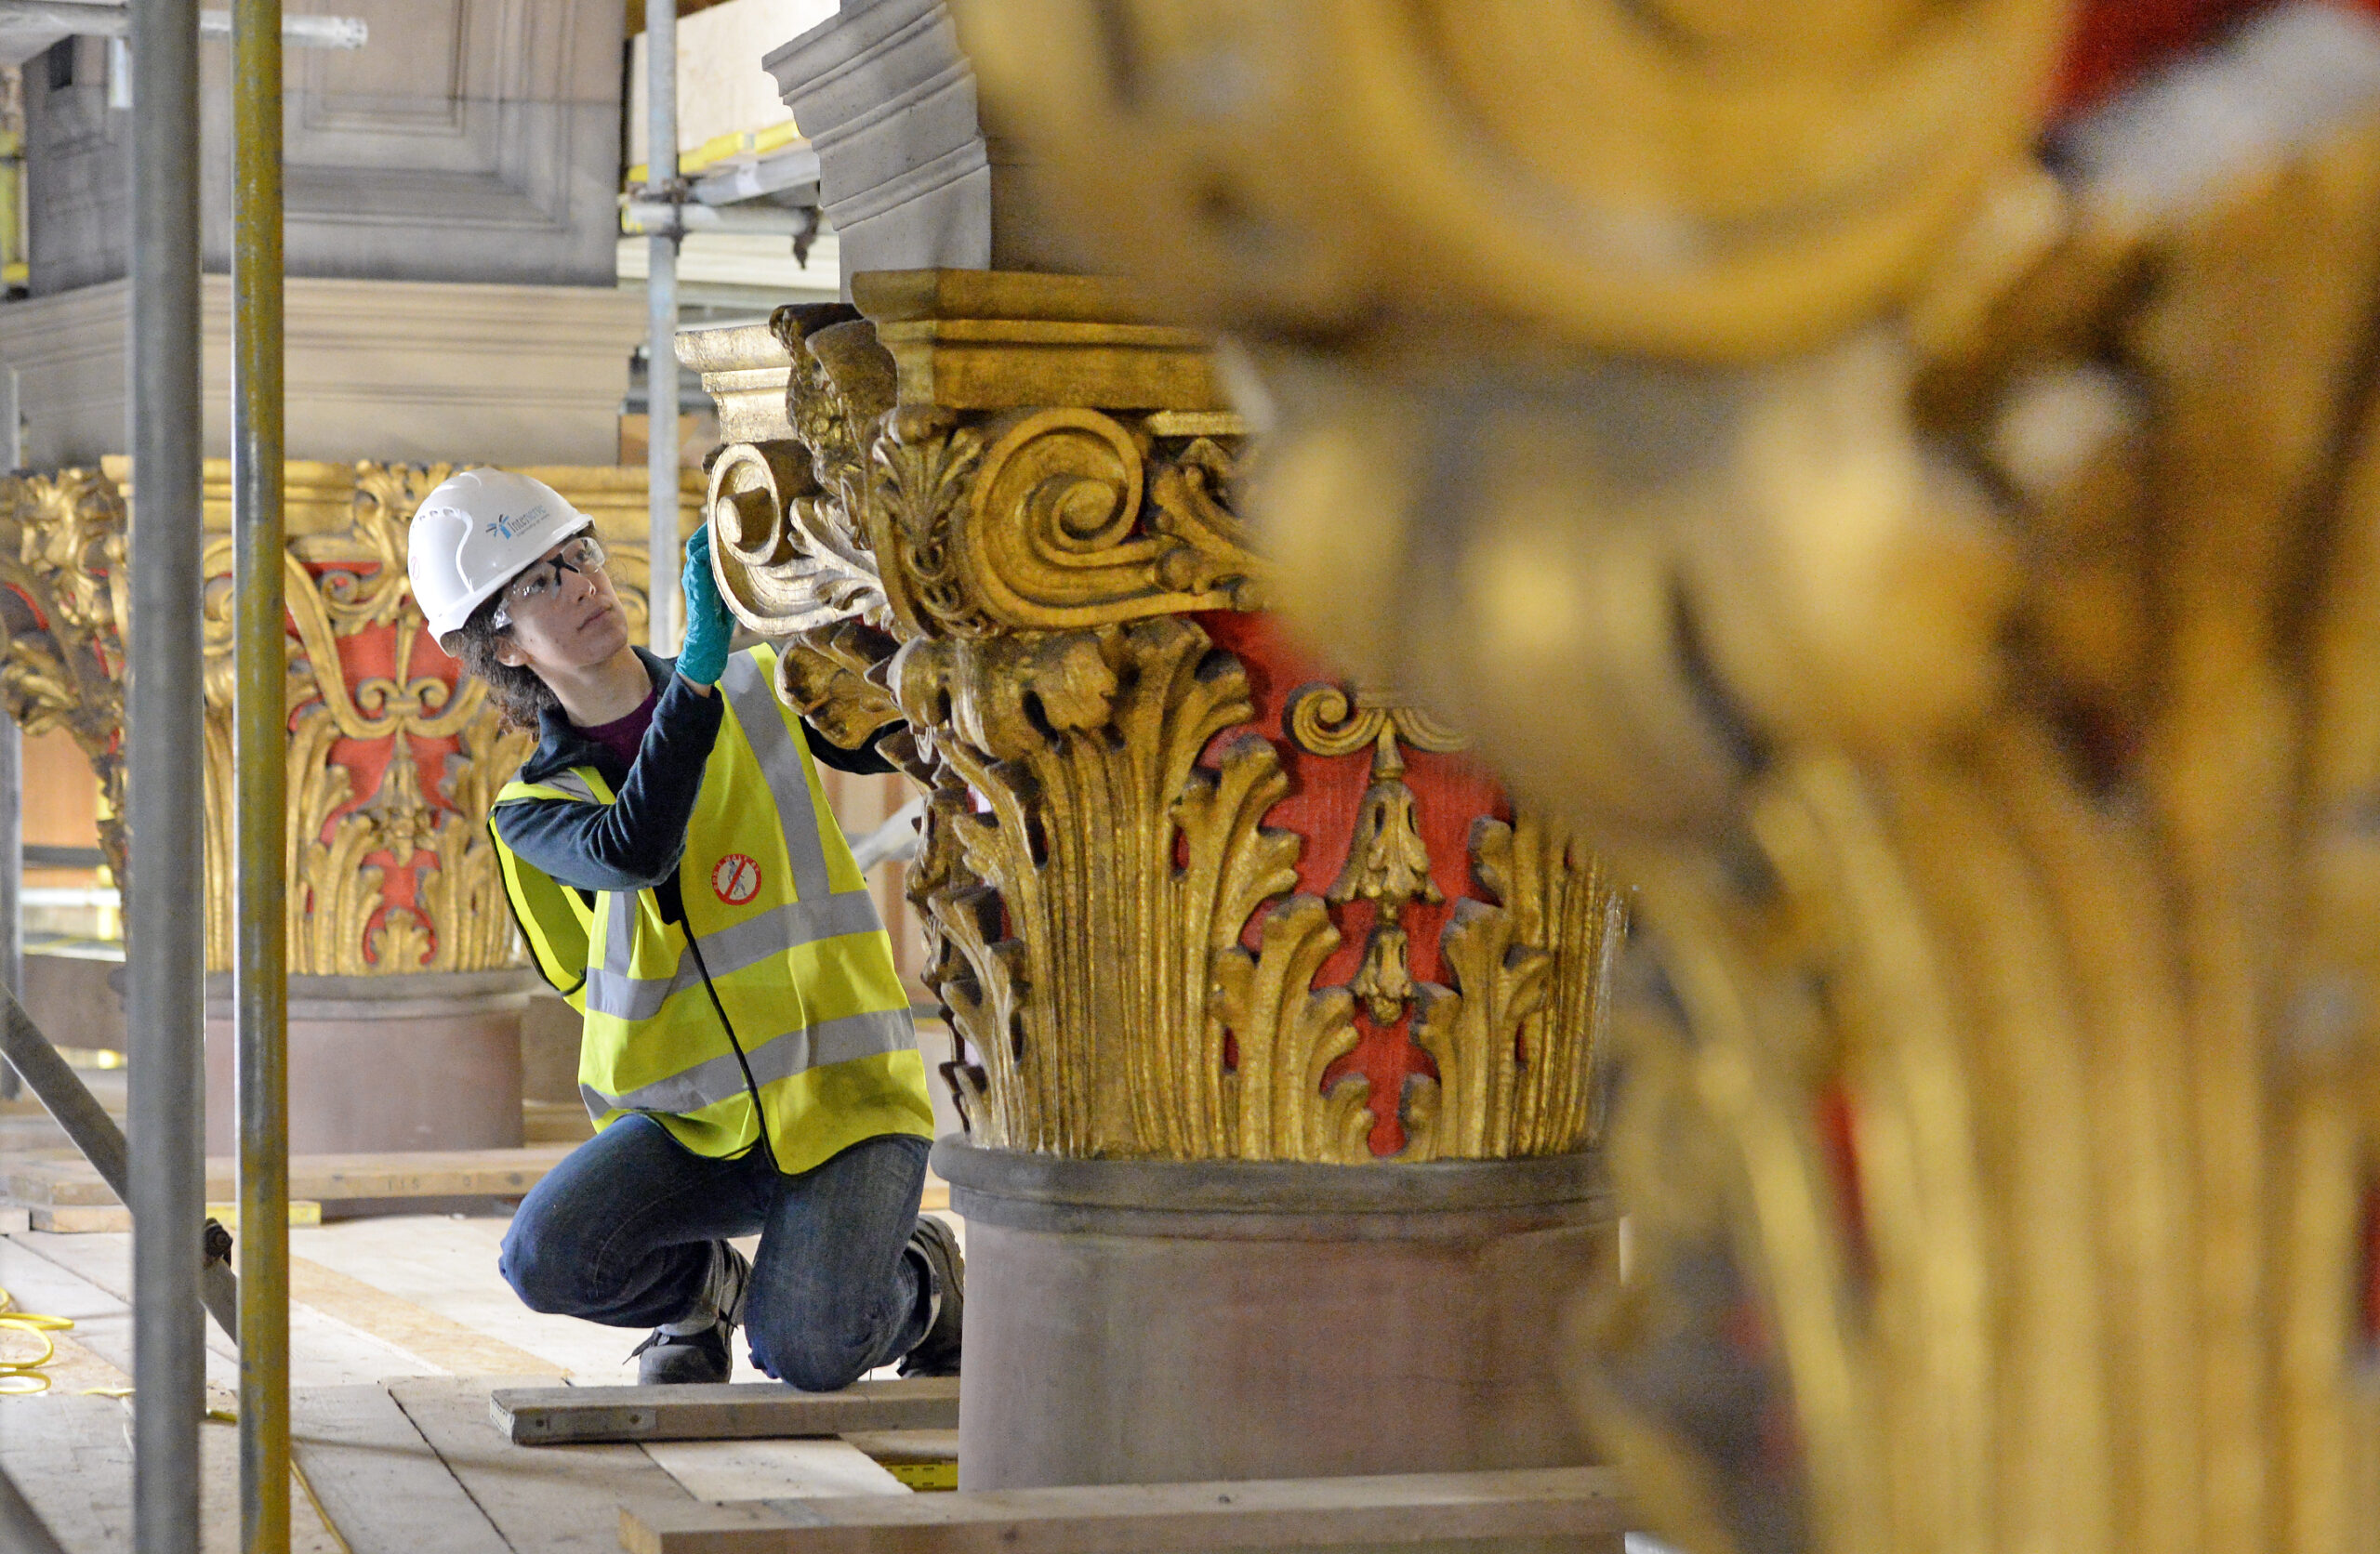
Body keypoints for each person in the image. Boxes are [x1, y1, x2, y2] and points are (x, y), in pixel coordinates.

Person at [405, 468, 958, 1388]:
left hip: (844, 1097)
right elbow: (634, 851)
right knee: (544, 1257)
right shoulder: (532, 811)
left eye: (579, 556)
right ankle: (702, 1295)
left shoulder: (755, 689)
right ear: (500, 642)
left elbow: (885, 724)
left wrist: (844, 601)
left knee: (808, 1351)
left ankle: (923, 1278)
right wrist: (693, 679)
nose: (581, 583)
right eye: (540, 581)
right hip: (688, 1129)